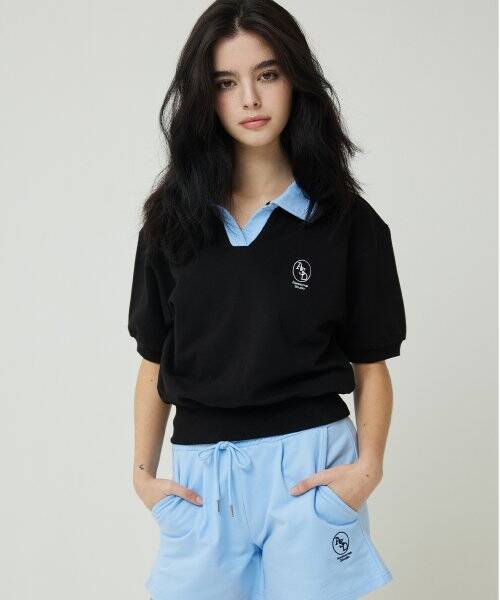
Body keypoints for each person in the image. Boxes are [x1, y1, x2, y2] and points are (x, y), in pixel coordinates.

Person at [127, 1, 407, 599]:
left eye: (268, 74)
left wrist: (367, 469)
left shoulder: (348, 223)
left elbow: (371, 365)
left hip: (312, 469)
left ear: (295, 81)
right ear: (204, 98)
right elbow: (153, 361)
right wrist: (142, 476)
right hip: (203, 480)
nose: (250, 99)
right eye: (226, 83)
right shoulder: (169, 226)